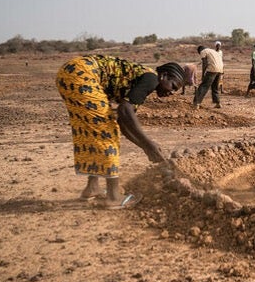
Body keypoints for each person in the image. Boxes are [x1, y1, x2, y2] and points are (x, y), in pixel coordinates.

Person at [56, 56, 184, 208]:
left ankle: (92, 187)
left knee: (93, 133)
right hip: (82, 73)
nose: (172, 93)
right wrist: (149, 144)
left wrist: (145, 147)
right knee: (108, 132)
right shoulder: (151, 79)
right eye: (173, 86)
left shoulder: (139, 84)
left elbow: (124, 122)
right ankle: (113, 196)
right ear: (164, 76)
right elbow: (125, 111)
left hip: (70, 73)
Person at [193, 43, 224, 109]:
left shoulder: (203, 51)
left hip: (212, 69)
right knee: (215, 87)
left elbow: (204, 63)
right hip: (220, 69)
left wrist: (203, 74)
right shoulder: (213, 51)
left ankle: (196, 103)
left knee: (203, 86)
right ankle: (218, 103)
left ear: (199, 50)